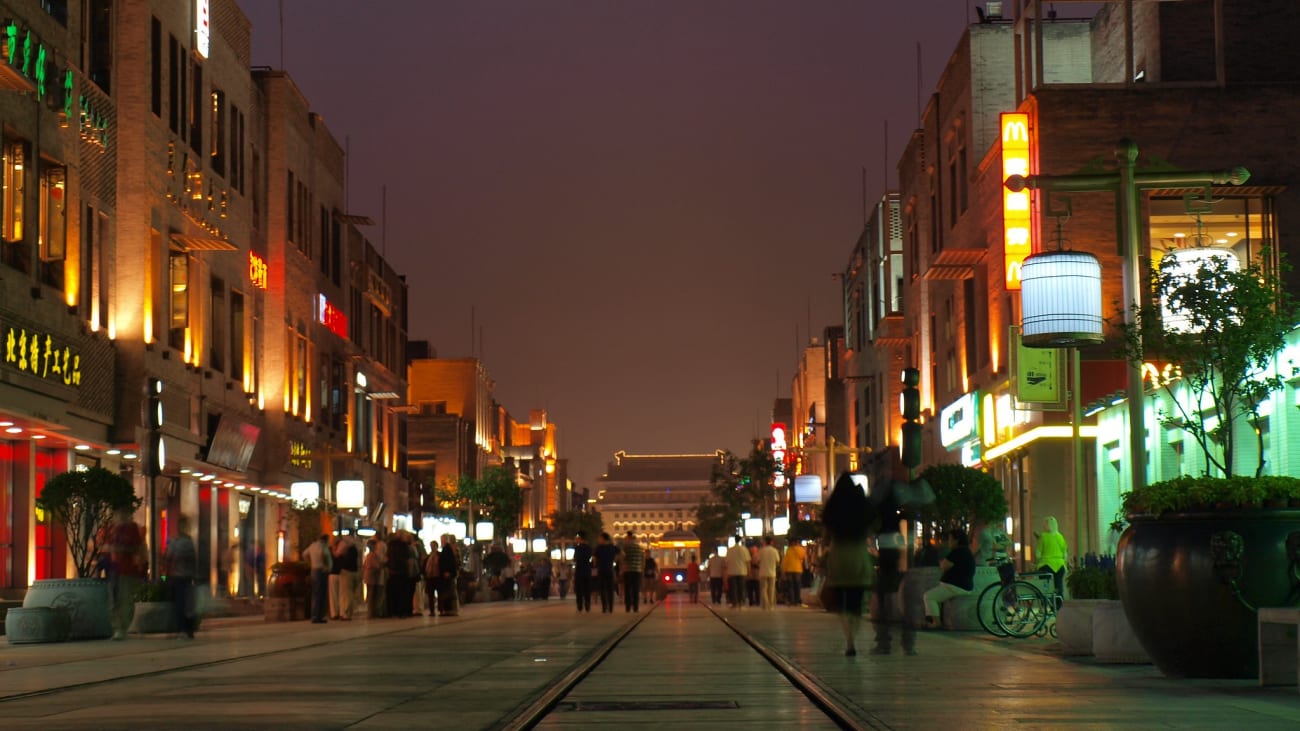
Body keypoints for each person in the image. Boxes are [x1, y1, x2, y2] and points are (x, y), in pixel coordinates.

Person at [822, 472, 876, 656]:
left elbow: (826, 532)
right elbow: (872, 522)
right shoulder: (861, 505)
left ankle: (849, 640)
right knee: (856, 603)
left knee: (842, 604)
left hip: (839, 555)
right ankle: (854, 637)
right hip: (859, 554)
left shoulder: (832, 506)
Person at [922, 528, 976, 628]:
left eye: (950, 539)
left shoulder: (958, 552)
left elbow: (944, 566)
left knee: (929, 596)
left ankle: (936, 622)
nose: (949, 542)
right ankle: (934, 619)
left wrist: (942, 563)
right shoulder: (965, 551)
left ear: (957, 540)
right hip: (961, 585)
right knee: (935, 595)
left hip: (955, 586)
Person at [106, 507, 146, 640]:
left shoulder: (131, 528)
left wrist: (121, 549)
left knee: (125, 598)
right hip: (113, 568)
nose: (119, 516)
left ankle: (123, 627)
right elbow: (104, 544)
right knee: (114, 599)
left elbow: (137, 547)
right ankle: (117, 627)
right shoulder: (111, 528)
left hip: (126, 569)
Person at [164, 515, 198, 639]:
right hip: (187, 577)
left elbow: (168, 558)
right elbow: (194, 560)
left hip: (178, 576)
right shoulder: (189, 541)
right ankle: (189, 629)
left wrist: (167, 575)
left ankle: (182, 628)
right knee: (188, 604)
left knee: (180, 604)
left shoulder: (175, 541)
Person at [1035, 516, 1068, 606]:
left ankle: (1046, 605)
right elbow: (1065, 553)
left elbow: (1038, 554)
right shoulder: (1060, 537)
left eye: (1044, 524)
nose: (1043, 526)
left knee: (1046, 589)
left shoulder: (1043, 536)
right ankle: (1058, 607)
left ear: (1047, 525)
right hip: (1060, 566)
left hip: (1046, 566)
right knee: (1058, 588)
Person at [304, 533, 333, 623]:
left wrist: (310, 563)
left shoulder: (312, 545)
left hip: (314, 569)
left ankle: (315, 615)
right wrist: (326, 565)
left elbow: (304, 554)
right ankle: (319, 616)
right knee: (321, 594)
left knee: (315, 593)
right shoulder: (323, 546)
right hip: (321, 570)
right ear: (326, 540)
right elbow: (324, 554)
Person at [334, 534, 359, 620]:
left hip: (347, 573)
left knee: (346, 594)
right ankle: (348, 613)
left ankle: (346, 613)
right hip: (354, 572)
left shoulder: (347, 551)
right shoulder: (354, 550)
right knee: (350, 594)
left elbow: (337, 555)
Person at [619, 531, 645, 613]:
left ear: (629, 538)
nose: (625, 540)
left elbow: (622, 558)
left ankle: (628, 606)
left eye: (626, 538)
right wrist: (642, 569)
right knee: (635, 589)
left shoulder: (625, 547)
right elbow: (643, 560)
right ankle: (635, 607)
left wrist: (621, 569)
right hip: (637, 571)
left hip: (628, 571)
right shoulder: (639, 548)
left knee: (628, 589)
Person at [594, 532, 618, 613]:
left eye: (600, 538)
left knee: (603, 589)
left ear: (604, 539)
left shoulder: (599, 548)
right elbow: (622, 554)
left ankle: (605, 607)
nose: (598, 540)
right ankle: (610, 608)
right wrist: (615, 560)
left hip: (602, 570)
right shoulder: (613, 547)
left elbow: (594, 559)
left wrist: (595, 565)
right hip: (609, 570)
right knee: (609, 589)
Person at [437, 534, 461, 616]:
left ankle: (449, 609)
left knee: (448, 592)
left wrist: (448, 571)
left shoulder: (447, 549)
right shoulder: (447, 549)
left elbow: (450, 562)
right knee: (449, 591)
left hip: (447, 574)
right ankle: (449, 609)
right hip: (447, 574)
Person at [363, 537, 386, 618]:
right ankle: (371, 613)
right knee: (371, 595)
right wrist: (384, 563)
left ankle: (372, 612)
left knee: (371, 595)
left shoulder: (370, 555)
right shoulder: (372, 555)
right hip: (371, 578)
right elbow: (377, 566)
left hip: (370, 577)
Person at [725, 536, 749, 608]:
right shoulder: (744, 549)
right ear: (740, 540)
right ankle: (741, 602)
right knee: (741, 588)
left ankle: (734, 603)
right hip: (742, 571)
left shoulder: (730, 550)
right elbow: (747, 561)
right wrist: (749, 571)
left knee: (733, 588)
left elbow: (727, 562)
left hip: (732, 571)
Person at [758, 535, 781, 610]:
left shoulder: (761, 550)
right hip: (772, 572)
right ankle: (771, 605)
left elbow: (758, 561)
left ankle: (765, 604)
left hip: (763, 572)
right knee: (771, 589)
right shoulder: (774, 551)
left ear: (764, 542)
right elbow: (778, 561)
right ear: (771, 542)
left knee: (763, 589)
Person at [781, 540, 807, 606]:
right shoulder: (801, 549)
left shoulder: (788, 550)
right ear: (798, 543)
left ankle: (792, 601)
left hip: (789, 570)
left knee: (790, 586)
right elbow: (803, 557)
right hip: (798, 570)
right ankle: (797, 600)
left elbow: (785, 561)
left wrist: (783, 571)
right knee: (797, 586)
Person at [572, 532, 593, 612]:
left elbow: (575, 559)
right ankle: (587, 605)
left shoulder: (577, 548)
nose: (576, 539)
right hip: (587, 570)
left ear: (581, 538)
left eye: (577, 537)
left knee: (579, 589)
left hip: (579, 570)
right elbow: (590, 558)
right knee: (587, 589)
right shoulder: (589, 548)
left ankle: (580, 605)